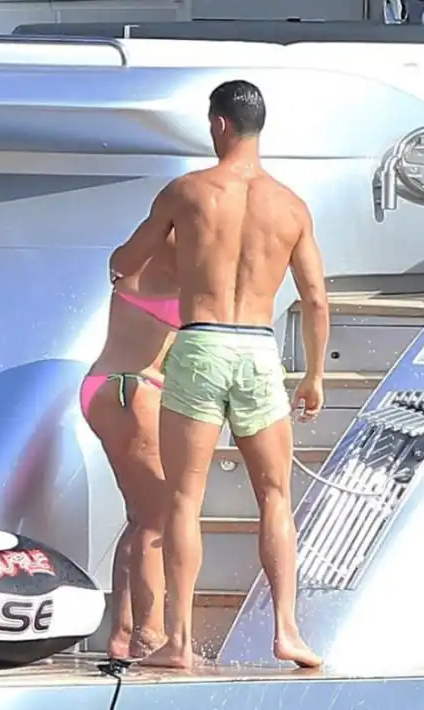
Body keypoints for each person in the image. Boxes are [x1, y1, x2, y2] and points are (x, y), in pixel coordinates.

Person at [110, 79, 330, 669]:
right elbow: (315, 299)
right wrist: (313, 375)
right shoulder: (291, 205)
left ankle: (180, 642)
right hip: (258, 349)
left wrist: (166, 257)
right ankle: (287, 630)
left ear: (219, 125)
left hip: (202, 344)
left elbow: (124, 261)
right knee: (275, 496)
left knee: (185, 498)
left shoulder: (187, 192)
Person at [79, 235, 179, 659]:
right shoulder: (184, 273)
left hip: (101, 384)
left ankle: (122, 633)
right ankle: (150, 633)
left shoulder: (130, 264)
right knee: (160, 519)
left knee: (139, 517)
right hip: (135, 388)